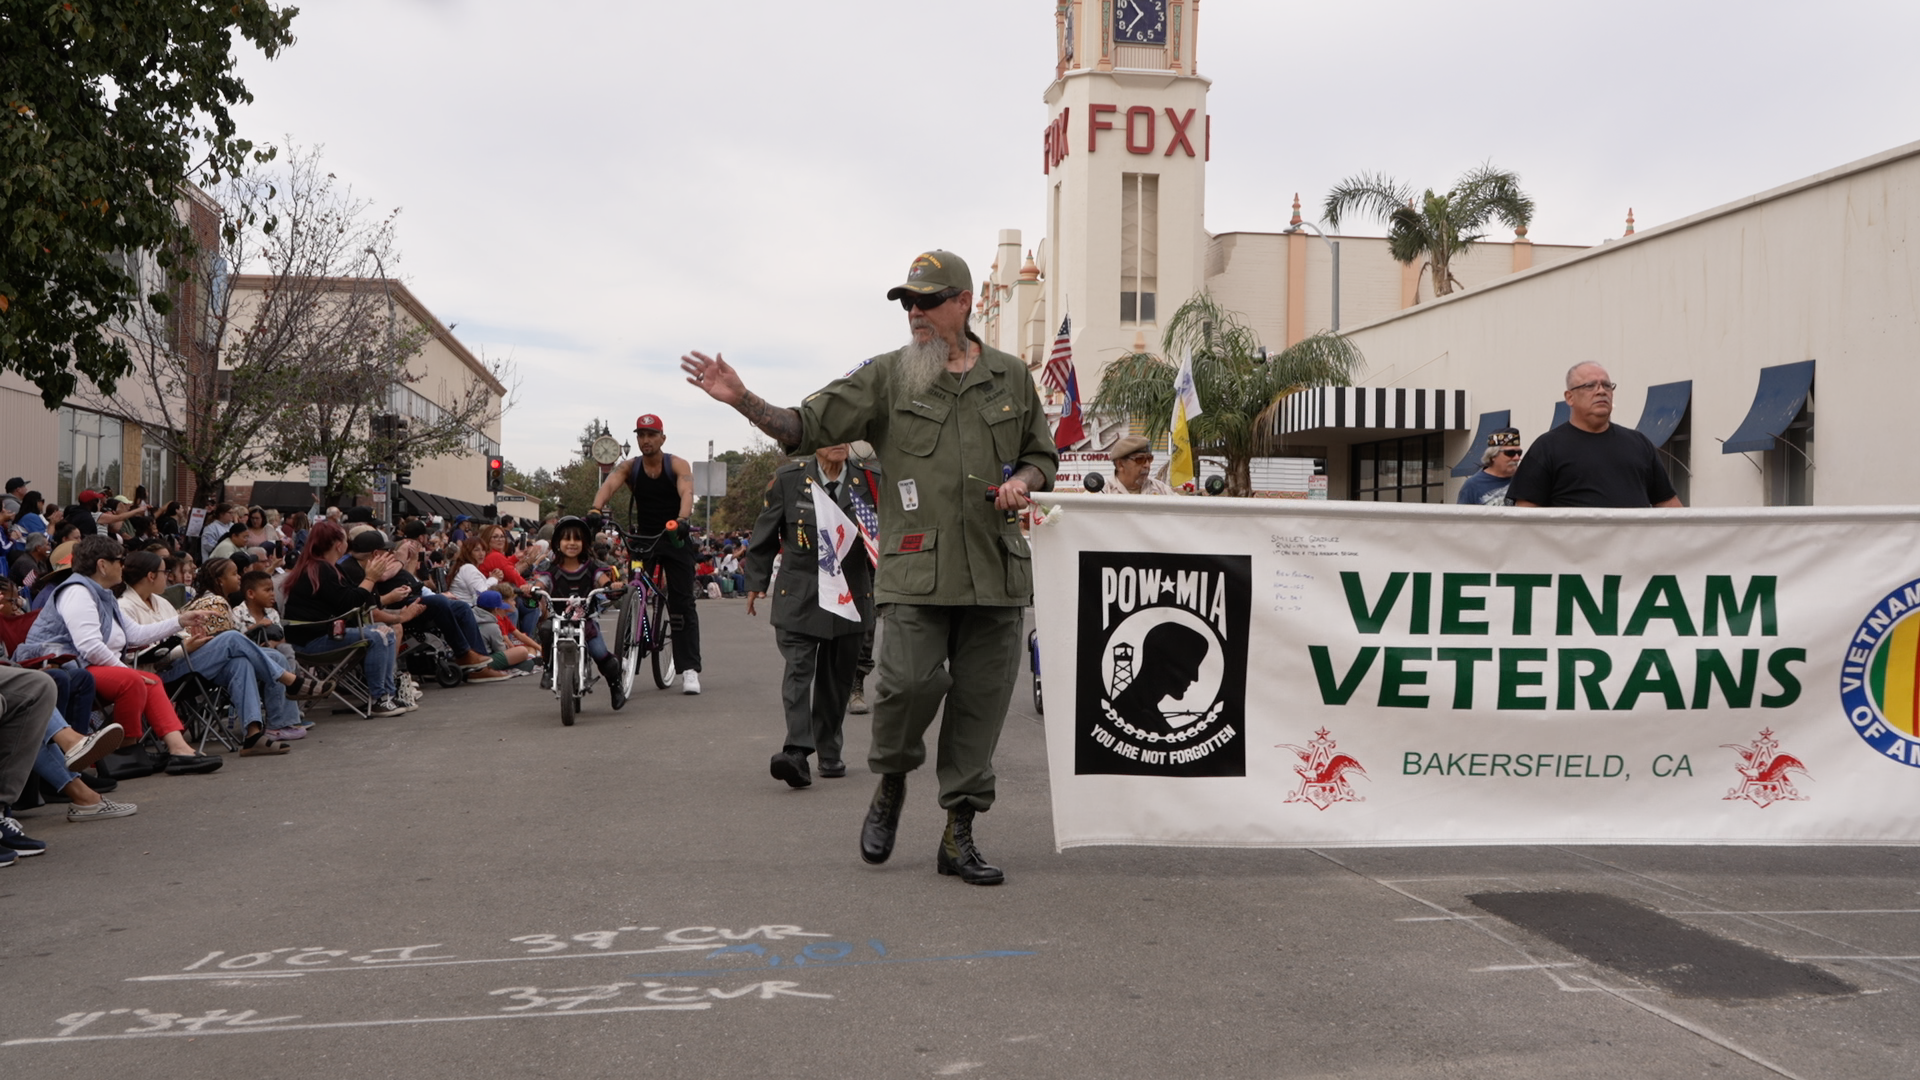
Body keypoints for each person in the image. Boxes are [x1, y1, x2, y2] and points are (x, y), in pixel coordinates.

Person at [681, 247, 1056, 886]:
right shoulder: (887, 376)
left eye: (929, 301)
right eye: (908, 302)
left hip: (996, 572)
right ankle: (890, 782)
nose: (915, 312)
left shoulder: (1012, 378)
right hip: (915, 574)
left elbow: (1041, 455)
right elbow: (804, 423)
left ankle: (958, 832)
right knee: (905, 687)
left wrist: (1024, 479)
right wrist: (741, 398)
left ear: (963, 303)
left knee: (982, 705)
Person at [15, 536, 225, 774]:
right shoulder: (77, 592)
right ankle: (123, 751)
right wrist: (126, 670)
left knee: (151, 681)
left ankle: (177, 750)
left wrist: (179, 621)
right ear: (103, 565)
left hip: (84, 665)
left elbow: (134, 634)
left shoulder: (101, 593)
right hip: (66, 667)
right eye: (119, 560)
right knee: (134, 679)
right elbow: (89, 647)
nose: (123, 566)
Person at [745, 445, 877, 788]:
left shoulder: (871, 480)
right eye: (827, 434)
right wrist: (756, 581)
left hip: (850, 594)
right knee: (799, 672)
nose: (836, 442)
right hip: (800, 592)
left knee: (837, 680)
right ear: (813, 442)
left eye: (843, 434)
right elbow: (766, 532)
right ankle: (796, 752)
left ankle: (829, 750)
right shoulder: (789, 480)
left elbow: (888, 536)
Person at [590, 414, 703, 694]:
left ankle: (688, 668)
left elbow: (686, 491)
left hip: (674, 534)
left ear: (662, 438)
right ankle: (629, 650)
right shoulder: (631, 467)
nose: (645, 440)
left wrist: (683, 519)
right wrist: (595, 509)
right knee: (634, 590)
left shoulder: (676, 464)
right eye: (641, 435)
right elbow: (609, 485)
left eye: (651, 435)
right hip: (643, 538)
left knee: (682, 600)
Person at [1510, 363, 1684, 509]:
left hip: (1634, 548)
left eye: (1606, 385)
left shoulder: (1639, 444)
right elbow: (1527, 516)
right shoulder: (1546, 448)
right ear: (1569, 397)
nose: (1601, 391)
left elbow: (1667, 503)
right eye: (1590, 386)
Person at [281, 520, 410, 717]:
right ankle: (379, 698)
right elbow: (349, 603)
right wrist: (370, 578)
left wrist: (370, 581)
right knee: (379, 635)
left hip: (320, 633)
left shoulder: (327, 567)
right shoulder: (321, 569)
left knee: (386, 632)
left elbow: (359, 599)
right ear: (338, 544)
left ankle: (387, 695)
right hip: (311, 640)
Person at [529, 516, 626, 708]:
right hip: (559, 620)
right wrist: (532, 589)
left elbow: (603, 581)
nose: (572, 543)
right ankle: (549, 667)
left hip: (586, 622)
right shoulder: (551, 568)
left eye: (577, 539)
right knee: (546, 630)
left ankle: (615, 686)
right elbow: (541, 583)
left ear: (585, 543)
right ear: (557, 542)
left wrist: (612, 586)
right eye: (566, 539)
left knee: (601, 654)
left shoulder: (593, 567)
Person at [1457, 427, 1524, 506]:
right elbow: (1462, 517)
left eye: (1519, 453)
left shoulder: (1524, 481)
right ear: (1493, 456)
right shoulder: (1472, 486)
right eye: (1510, 453)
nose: (1517, 458)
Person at [1100, 435, 1176, 496]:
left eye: (1149, 459)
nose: (1147, 465)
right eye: (1140, 459)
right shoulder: (1103, 492)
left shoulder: (1161, 490)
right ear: (1120, 465)